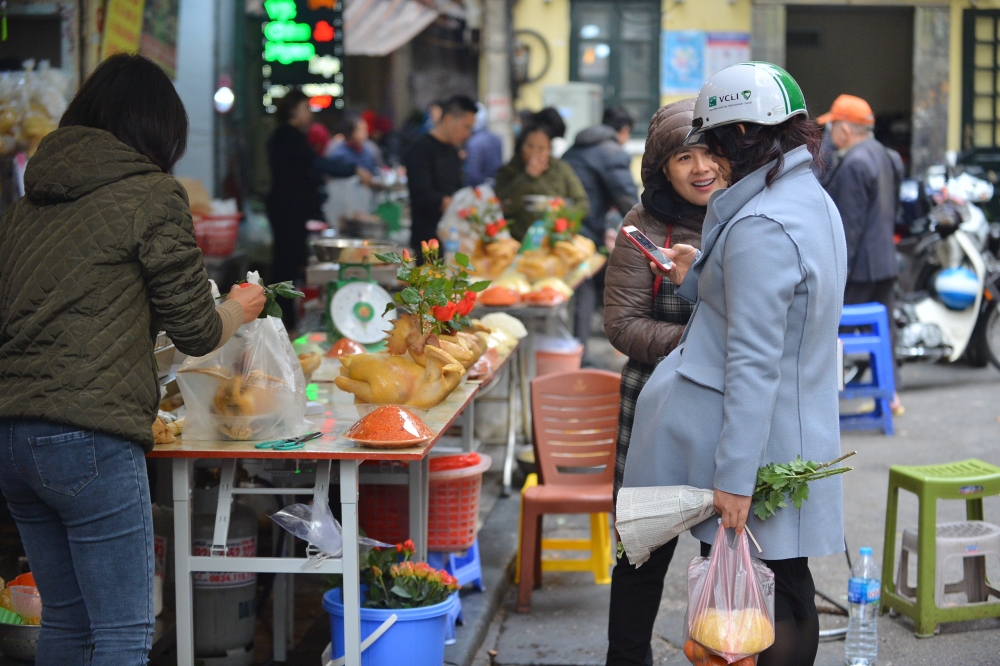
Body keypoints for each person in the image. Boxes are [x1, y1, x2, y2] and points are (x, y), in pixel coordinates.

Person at [0, 53, 266, 665]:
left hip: (13, 437)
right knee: (123, 634)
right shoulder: (151, 195)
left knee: (65, 624)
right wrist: (238, 307)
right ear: (157, 131)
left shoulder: (24, 209)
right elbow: (197, 331)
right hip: (89, 437)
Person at [624, 62, 847, 666]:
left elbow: (752, 360)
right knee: (784, 586)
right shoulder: (807, 201)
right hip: (792, 426)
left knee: (756, 610)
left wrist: (733, 479)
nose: (712, 158)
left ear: (743, 132)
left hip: (757, 439)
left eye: (716, 141)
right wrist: (702, 272)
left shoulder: (761, 224)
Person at [603, 98, 727, 665]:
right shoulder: (642, 227)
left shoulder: (746, 215)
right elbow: (623, 325)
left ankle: (724, 654)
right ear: (662, 167)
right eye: (684, 157)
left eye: (711, 152)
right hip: (654, 405)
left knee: (725, 549)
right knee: (642, 550)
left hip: (728, 406)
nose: (701, 167)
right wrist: (705, 343)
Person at [818, 94, 905, 414]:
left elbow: (849, 227)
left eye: (831, 128)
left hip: (860, 267)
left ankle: (826, 400)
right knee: (886, 333)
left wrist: (839, 271)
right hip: (885, 259)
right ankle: (892, 396)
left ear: (844, 129)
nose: (829, 137)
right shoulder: (888, 155)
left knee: (832, 330)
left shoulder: (853, 163)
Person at [563, 106, 639, 361]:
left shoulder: (576, 149)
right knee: (584, 287)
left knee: (572, 288)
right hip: (582, 229)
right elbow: (627, 197)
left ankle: (568, 348)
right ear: (624, 131)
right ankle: (579, 355)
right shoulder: (611, 152)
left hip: (561, 227)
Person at [266, 90, 325, 329]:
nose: (309, 113)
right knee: (286, 267)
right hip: (288, 210)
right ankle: (284, 323)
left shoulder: (283, 137)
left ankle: (283, 320)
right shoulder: (290, 138)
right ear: (293, 110)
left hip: (285, 209)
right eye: (306, 108)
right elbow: (311, 168)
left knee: (285, 265)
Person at [494, 115, 589, 241]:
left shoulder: (561, 169)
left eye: (541, 148)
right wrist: (527, 177)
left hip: (556, 240)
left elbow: (582, 202)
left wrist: (562, 218)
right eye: (530, 146)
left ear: (549, 150)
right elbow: (503, 207)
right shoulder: (508, 171)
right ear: (521, 146)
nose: (535, 153)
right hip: (517, 241)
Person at [404, 95, 477, 254]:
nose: (468, 134)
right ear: (450, 119)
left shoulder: (454, 151)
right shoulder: (420, 149)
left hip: (453, 239)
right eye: (467, 127)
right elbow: (421, 194)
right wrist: (448, 202)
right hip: (427, 242)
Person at [464, 102, 503, 187]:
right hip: (494, 186)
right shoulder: (496, 139)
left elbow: (473, 173)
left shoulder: (474, 143)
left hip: (479, 191)